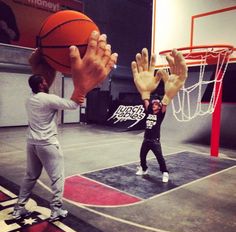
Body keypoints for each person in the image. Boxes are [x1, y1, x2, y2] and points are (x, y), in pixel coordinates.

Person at [12, 31, 118, 221]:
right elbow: (73, 104)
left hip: (32, 143)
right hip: (47, 144)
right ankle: (56, 209)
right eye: (44, 80)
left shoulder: (31, 100)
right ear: (43, 84)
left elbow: (53, 97)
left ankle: (19, 208)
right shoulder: (48, 99)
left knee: (30, 176)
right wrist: (82, 88)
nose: (46, 81)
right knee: (57, 177)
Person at [131, 48, 187, 182]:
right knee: (142, 156)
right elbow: (145, 99)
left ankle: (165, 172)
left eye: (157, 104)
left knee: (160, 158)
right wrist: (144, 90)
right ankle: (144, 168)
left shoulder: (160, 114)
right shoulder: (149, 110)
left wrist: (168, 94)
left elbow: (166, 101)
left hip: (155, 141)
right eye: (154, 104)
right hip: (146, 140)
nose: (155, 105)